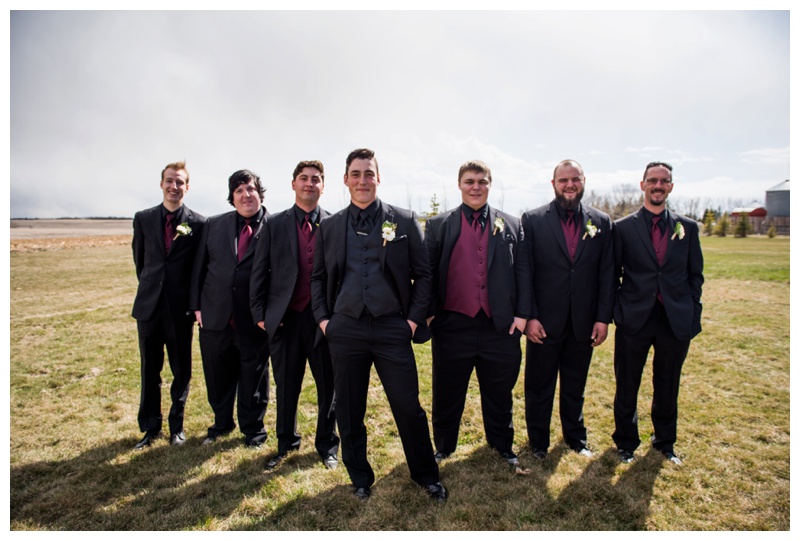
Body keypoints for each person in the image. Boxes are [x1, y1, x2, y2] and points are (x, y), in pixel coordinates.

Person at [310, 148, 446, 502]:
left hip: (392, 328)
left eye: (368, 173)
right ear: (345, 180)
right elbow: (318, 277)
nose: (362, 180)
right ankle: (360, 478)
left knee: (407, 405)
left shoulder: (403, 219)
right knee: (350, 409)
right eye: (355, 174)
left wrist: (413, 322)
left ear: (378, 178)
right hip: (346, 329)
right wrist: (325, 321)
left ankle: (426, 475)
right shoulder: (330, 226)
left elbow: (424, 276)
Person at [425, 160, 530, 467]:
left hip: (500, 325)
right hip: (452, 323)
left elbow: (523, 270)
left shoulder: (511, 224)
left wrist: (522, 314)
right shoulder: (439, 225)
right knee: (447, 390)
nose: (476, 187)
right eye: (470, 181)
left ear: (489, 185)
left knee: (500, 390)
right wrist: (430, 315)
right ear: (459, 185)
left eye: (482, 181)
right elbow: (428, 273)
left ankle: (501, 445)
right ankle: (444, 445)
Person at [520, 159, 614, 461]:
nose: (569, 185)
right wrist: (529, 316)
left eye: (575, 179)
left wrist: (602, 318)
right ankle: (538, 442)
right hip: (544, 323)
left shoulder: (601, 222)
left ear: (584, 181)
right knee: (539, 386)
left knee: (576, 385)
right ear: (553, 184)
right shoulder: (533, 220)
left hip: (584, 322)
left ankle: (576, 438)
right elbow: (526, 272)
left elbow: (607, 273)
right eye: (563, 180)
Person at [612, 161, 703, 465]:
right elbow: (611, 274)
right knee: (627, 383)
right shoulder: (623, 228)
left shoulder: (687, 228)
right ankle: (625, 442)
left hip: (674, 318)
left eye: (664, 181)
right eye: (652, 180)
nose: (658, 185)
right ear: (643, 185)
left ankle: (664, 442)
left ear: (671, 187)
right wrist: (618, 310)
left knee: (668, 383)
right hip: (634, 317)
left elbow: (695, 275)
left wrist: (692, 311)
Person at [250, 160, 339, 470]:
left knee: (329, 386)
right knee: (287, 385)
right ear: (293, 184)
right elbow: (259, 271)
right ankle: (286, 442)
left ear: (323, 186)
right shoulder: (274, 224)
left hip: (323, 322)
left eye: (316, 179)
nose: (309, 184)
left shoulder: (334, 223)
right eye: (304, 178)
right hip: (285, 320)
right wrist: (261, 315)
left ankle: (327, 445)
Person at [189, 170, 270, 448]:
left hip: (254, 319)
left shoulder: (276, 226)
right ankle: (221, 424)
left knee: (254, 379)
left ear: (260, 193)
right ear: (231, 197)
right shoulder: (214, 225)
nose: (246, 195)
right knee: (217, 376)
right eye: (239, 191)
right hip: (215, 316)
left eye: (250, 189)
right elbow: (198, 268)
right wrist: (197, 307)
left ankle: (253, 431)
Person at [131, 161, 206, 449]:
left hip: (179, 310)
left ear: (187, 187)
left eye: (180, 182)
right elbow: (141, 262)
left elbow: (198, 267)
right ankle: (150, 428)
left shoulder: (198, 223)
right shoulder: (144, 218)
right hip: (149, 308)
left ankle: (177, 427)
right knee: (150, 369)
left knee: (181, 370)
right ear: (161, 184)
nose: (174, 186)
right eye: (169, 181)